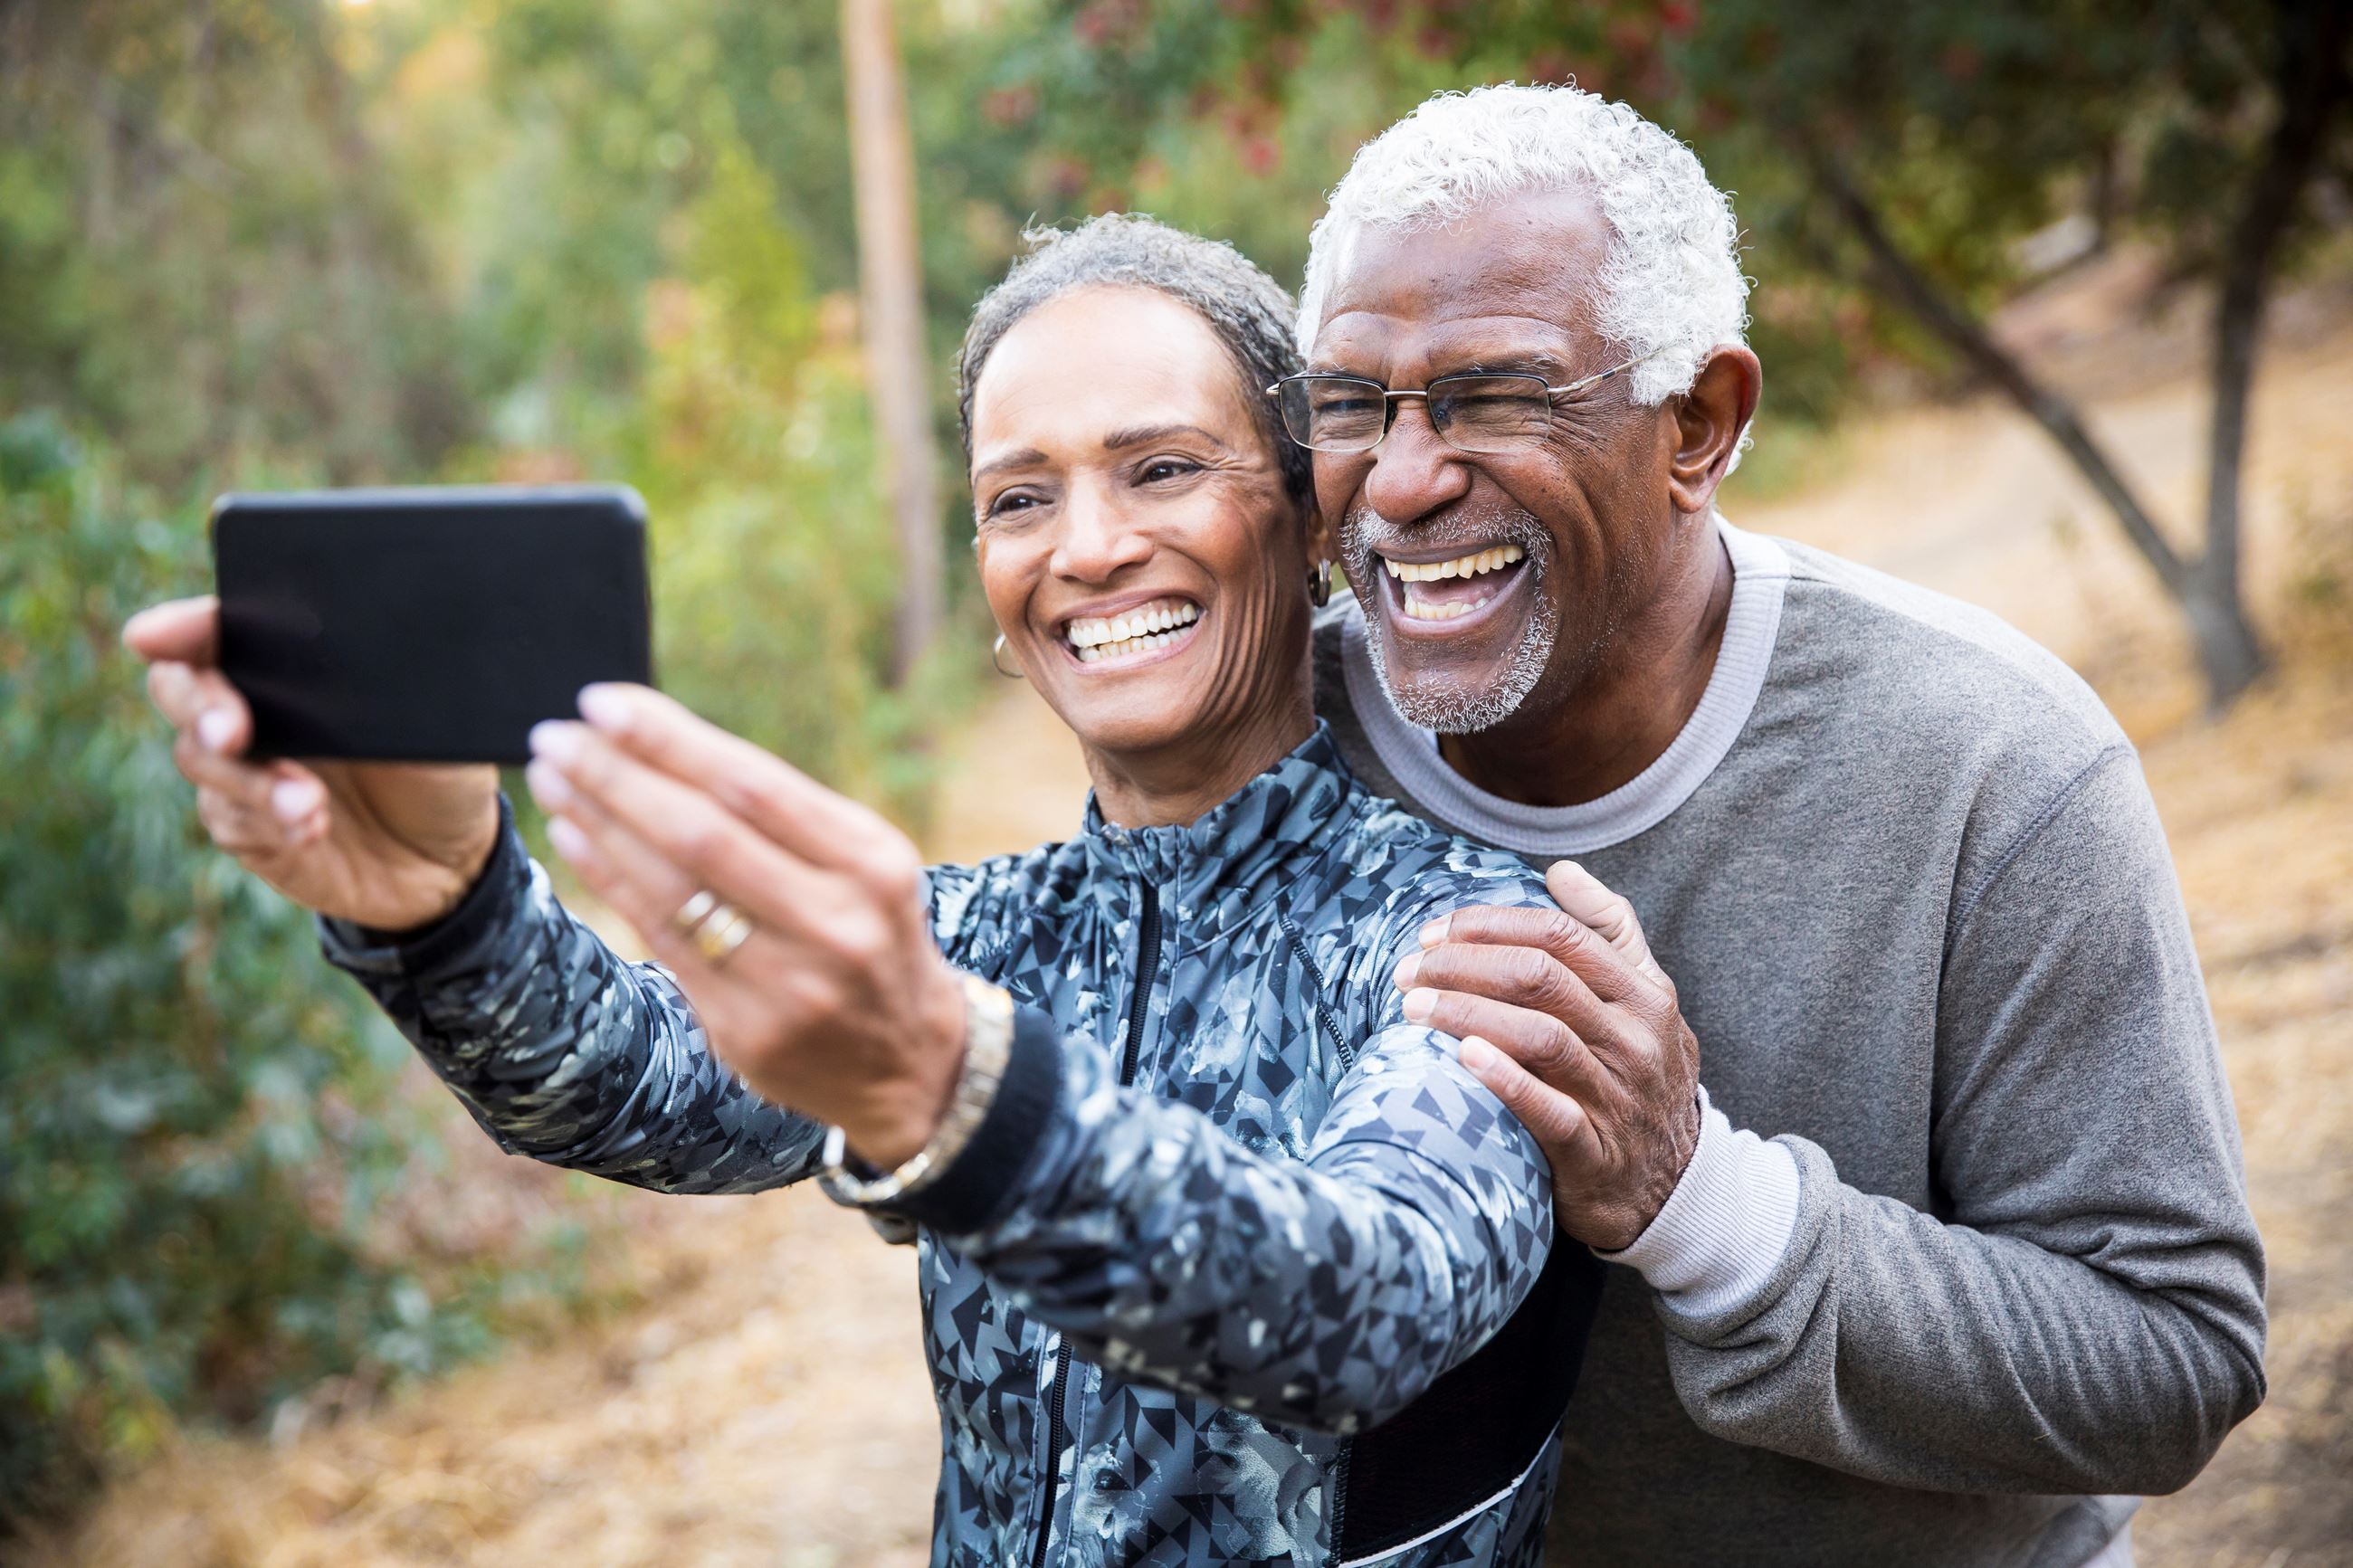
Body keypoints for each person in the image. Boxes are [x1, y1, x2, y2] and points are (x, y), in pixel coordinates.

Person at [125, 215, 1620, 1567]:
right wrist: (444, 909)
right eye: (1020, 498)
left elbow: (1358, 1307)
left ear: (1305, 520)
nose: (1090, 549)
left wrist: (956, 1089)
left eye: (1161, 467)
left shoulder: (1473, 936)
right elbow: (640, 1087)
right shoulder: (969, 932)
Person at [1284, 84, 2268, 1567]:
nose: (1405, 480)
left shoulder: (1989, 760)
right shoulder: (1270, 745)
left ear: (1700, 421)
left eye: (1496, 396)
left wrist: (1697, 1199)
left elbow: (2171, 1364)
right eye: (1353, 404)